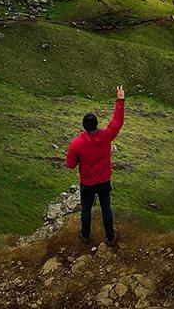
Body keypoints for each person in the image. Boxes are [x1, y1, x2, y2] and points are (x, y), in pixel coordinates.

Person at [66, 85, 125, 246]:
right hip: (104, 181)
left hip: (87, 183)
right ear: (97, 124)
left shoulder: (76, 144)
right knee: (106, 207)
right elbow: (117, 122)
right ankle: (111, 237)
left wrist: (78, 160)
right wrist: (120, 100)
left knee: (86, 209)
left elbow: (70, 164)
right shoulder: (106, 137)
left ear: (84, 126)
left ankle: (85, 236)